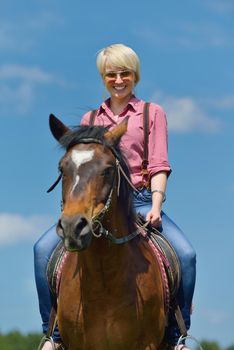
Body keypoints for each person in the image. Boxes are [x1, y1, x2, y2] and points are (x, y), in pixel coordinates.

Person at [34, 43, 196, 350]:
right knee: (42, 250)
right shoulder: (90, 117)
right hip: (96, 202)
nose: (118, 80)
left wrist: (157, 206)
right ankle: (53, 335)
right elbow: (83, 170)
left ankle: (177, 337)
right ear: (103, 77)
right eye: (111, 74)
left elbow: (160, 163)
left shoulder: (152, 112)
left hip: (142, 199)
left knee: (186, 255)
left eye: (125, 73)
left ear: (134, 76)